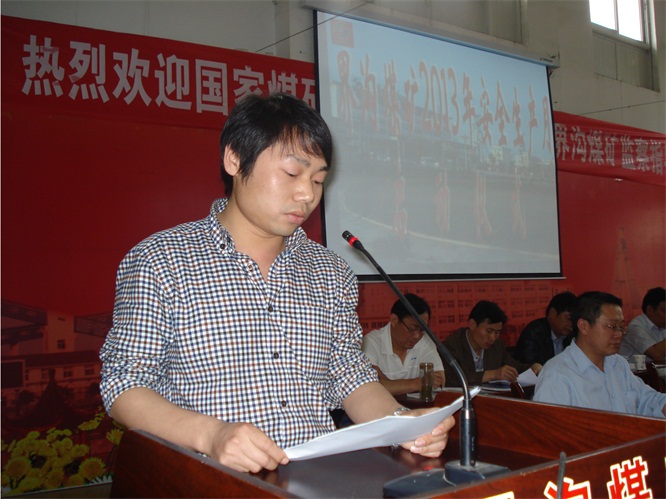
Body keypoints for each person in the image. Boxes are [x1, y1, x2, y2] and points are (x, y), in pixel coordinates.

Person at [99, 92, 454, 474]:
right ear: (235, 159)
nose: (308, 194)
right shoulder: (162, 261)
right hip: (208, 480)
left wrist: (402, 424)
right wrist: (212, 435)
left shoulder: (330, 272)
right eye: (292, 173)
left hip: (316, 480)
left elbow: (349, 376)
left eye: (318, 180)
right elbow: (123, 385)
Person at [534, 291, 666, 418]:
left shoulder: (618, 364)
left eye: (621, 327)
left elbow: (648, 401)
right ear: (583, 326)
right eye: (612, 326)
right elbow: (551, 430)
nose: (618, 334)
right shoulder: (557, 375)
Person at [442, 300, 541, 387]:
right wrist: (493, 374)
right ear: (472, 324)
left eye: (497, 332)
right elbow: (449, 379)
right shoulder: (452, 346)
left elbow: (515, 368)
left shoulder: (497, 345)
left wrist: (532, 368)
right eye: (489, 331)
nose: (493, 338)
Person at [362, 294, 445, 395]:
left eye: (422, 330)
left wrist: (389, 385)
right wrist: (418, 383)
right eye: (412, 329)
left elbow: (439, 380)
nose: (417, 336)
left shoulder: (425, 341)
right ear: (394, 320)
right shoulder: (371, 342)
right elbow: (370, 386)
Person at [514, 291, 577, 365]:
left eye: (575, 320)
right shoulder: (534, 333)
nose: (571, 324)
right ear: (552, 313)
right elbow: (530, 366)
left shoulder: (573, 335)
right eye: (569, 318)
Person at [618, 287, 665, 363]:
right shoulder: (635, 327)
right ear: (650, 310)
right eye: (665, 311)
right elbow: (657, 355)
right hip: (632, 370)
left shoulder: (662, 326)